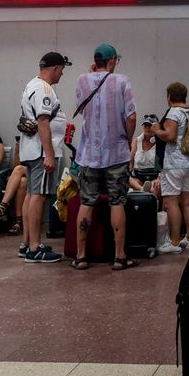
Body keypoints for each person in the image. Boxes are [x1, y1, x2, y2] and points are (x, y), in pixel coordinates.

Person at [70, 43, 138, 271]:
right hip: (116, 153)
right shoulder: (121, 81)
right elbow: (131, 116)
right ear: (111, 61)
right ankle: (119, 257)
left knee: (87, 202)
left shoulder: (82, 80)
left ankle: (80, 256)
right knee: (117, 202)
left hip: (89, 154)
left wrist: (93, 73)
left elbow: (80, 105)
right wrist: (127, 140)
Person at [18, 52, 71, 263]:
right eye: (62, 69)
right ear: (55, 68)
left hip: (33, 150)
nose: (62, 74)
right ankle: (34, 248)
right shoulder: (44, 89)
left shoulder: (32, 84)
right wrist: (49, 154)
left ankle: (27, 243)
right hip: (41, 152)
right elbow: (43, 122)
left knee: (32, 194)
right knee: (38, 197)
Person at [151, 82, 189, 254]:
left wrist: (157, 129)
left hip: (174, 163)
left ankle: (174, 241)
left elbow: (170, 136)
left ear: (169, 97)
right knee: (188, 200)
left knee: (172, 202)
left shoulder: (174, 112)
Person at [128, 114, 160, 191]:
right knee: (126, 179)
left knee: (154, 187)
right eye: (145, 125)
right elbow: (130, 162)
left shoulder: (160, 142)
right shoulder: (136, 141)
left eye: (150, 125)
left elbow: (162, 164)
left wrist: (159, 178)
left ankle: (147, 189)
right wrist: (129, 174)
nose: (147, 128)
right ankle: (142, 189)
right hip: (138, 176)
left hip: (154, 176)